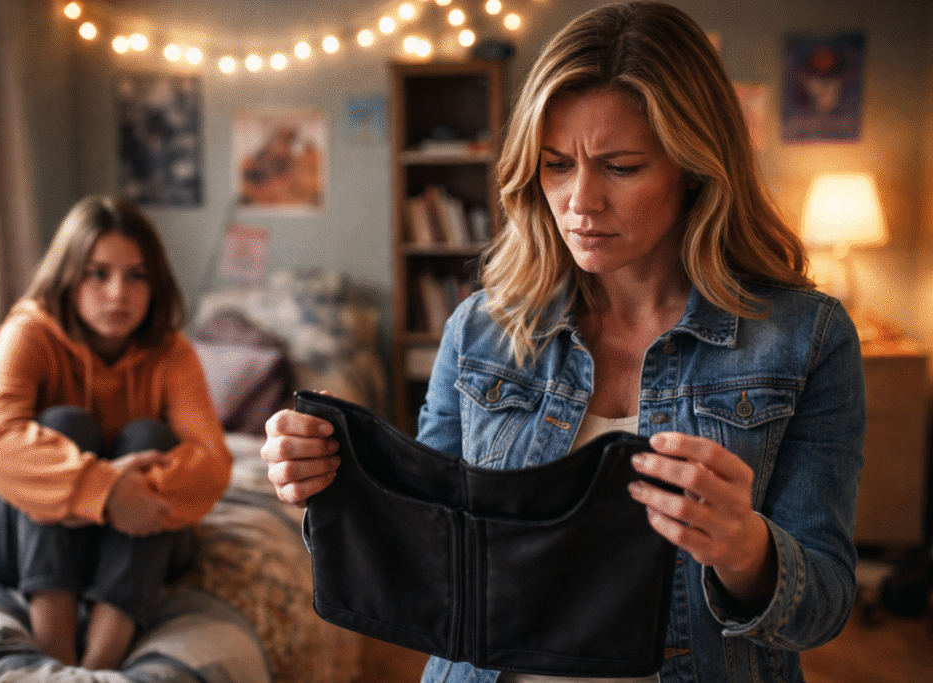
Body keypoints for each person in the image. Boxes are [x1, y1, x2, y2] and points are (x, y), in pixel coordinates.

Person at [260, 2, 866, 682]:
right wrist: (331, 488)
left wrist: (747, 549)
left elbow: (828, 602)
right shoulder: (481, 327)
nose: (581, 201)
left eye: (621, 166)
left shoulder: (806, 339)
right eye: (555, 164)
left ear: (695, 168)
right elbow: (432, 555)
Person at [0, 196, 232, 671]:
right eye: (97, 273)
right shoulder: (31, 330)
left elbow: (213, 462)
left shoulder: (171, 353)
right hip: (15, 539)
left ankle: (101, 660)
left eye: (136, 275)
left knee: (149, 438)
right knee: (65, 425)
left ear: (155, 283)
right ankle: (55, 652)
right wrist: (105, 486)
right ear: (67, 275)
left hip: (131, 534)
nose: (118, 293)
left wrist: (135, 491)